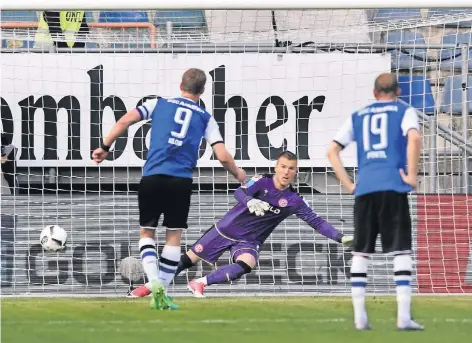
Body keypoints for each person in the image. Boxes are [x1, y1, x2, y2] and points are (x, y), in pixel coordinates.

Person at [92, 68, 246, 310]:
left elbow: (125, 120)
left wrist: (105, 146)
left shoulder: (158, 104)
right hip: (180, 182)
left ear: (180, 85)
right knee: (173, 237)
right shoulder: (206, 118)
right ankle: (159, 288)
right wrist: (238, 174)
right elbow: (222, 155)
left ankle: (155, 283)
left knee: (147, 233)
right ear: (203, 91)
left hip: (153, 177)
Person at [129, 150, 353, 298]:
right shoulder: (261, 180)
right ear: (276, 167)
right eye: (283, 166)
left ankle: (200, 283)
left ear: (296, 172)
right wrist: (250, 200)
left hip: (249, 240)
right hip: (226, 229)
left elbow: (317, 222)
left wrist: (341, 238)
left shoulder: (294, 200)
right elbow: (239, 192)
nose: (286, 171)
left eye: (291, 168)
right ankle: (144, 289)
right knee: (187, 260)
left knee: (247, 263)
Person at [327, 73, 423, 331]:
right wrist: (412, 175)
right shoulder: (405, 111)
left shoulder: (358, 114)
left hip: (366, 189)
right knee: (401, 250)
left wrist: (348, 184)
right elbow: (414, 138)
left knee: (361, 251)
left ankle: (360, 317)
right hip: (393, 187)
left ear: (374, 92)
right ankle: (403, 317)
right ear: (398, 91)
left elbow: (332, 150)